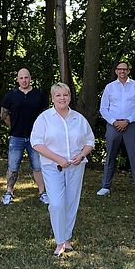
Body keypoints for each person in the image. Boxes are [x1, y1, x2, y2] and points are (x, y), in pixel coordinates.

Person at [31, 83, 94, 257]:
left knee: (71, 203)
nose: (62, 98)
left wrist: (81, 156)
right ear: (52, 98)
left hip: (76, 166)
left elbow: (90, 141)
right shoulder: (44, 118)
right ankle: (59, 242)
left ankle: (66, 238)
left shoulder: (79, 119)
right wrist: (58, 159)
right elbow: (36, 143)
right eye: (58, 95)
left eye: (65, 95)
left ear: (70, 97)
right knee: (57, 204)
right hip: (53, 167)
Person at [97, 61, 135, 198]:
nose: (122, 71)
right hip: (113, 124)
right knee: (110, 156)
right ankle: (105, 186)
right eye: (119, 69)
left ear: (128, 71)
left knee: (134, 156)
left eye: (125, 69)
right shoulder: (110, 87)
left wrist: (128, 121)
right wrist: (114, 122)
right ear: (116, 71)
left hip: (130, 124)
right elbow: (103, 108)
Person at [0, 68, 49, 205]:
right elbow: (4, 114)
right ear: (17, 80)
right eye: (21, 78)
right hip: (16, 137)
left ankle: (42, 192)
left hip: (36, 139)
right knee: (13, 166)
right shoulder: (11, 95)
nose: (24, 80)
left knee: (38, 166)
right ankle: (8, 192)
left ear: (30, 78)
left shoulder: (39, 95)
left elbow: (46, 116)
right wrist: (13, 126)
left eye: (26, 77)